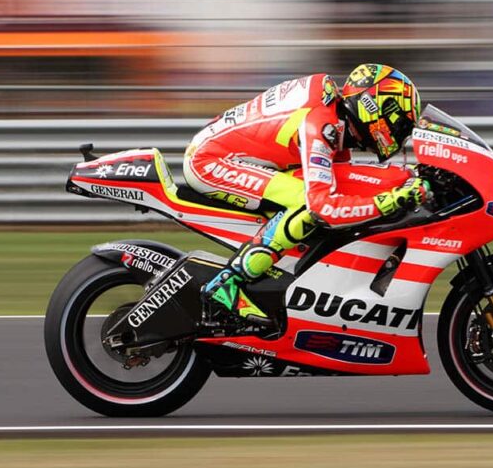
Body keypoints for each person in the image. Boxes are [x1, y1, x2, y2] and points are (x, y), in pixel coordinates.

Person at [183, 64, 430, 325]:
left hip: (227, 152)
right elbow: (323, 208)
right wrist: (392, 199)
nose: (400, 134)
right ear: (373, 105)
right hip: (211, 161)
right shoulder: (322, 124)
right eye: (399, 122)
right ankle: (226, 284)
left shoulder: (336, 118)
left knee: (324, 195)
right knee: (308, 204)